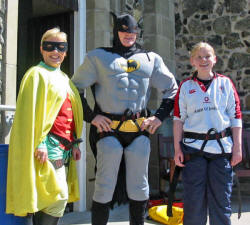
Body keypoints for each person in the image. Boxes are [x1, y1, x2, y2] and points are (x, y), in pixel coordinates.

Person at [72, 13, 178, 225]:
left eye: (132, 31)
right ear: (115, 31)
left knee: (139, 187)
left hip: (139, 131)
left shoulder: (151, 59)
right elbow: (74, 89)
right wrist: (92, 117)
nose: (129, 35)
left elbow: (172, 90)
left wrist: (158, 118)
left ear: (137, 32)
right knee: (104, 187)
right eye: (123, 30)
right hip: (108, 132)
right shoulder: (97, 57)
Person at [6, 28, 83, 225]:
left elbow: (69, 113)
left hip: (64, 149)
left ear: (66, 51)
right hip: (47, 148)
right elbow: (28, 115)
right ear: (42, 49)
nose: (55, 51)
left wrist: (75, 143)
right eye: (50, 46)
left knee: (49, 197)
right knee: (58, 196)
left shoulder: (65, 78)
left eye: (61, 47)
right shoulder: (36, 74)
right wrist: (39, 143)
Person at [173, 42, 242, 225]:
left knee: (221, 200)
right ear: (192, 61)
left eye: (207, 56)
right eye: (199, 57)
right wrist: (177, 149)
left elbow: (236, 117)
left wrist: (238, 148)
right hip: (194, 150)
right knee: (194, 202)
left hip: (221, 150)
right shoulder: (186, 87)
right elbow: (178, 120)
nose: (203, 60)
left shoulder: (225, 84)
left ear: (214, 59)